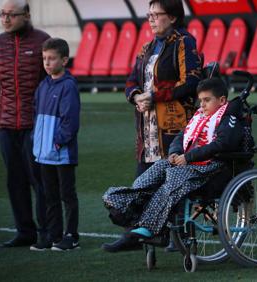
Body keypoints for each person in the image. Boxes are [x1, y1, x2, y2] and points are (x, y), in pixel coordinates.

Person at [103, 0, 201, 252]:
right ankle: (134, 235)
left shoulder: (184, 42)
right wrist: (136, 96)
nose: (151, 19)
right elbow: (132, 80)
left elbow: (191, 82)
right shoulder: (147, 47)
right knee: (141, 182)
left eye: (156, 14)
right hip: (147, 129)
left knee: (174, 183)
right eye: (149, 15)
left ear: (173, 17)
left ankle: (177, 235)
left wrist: (154, 95)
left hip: (174, 126)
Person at [102, 77, 244, 252]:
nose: (203, 105)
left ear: (222, 100)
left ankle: (149, 229)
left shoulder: (229, 118)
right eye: (201, 100)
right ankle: (127, 212)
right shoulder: (199, 116)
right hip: (189, 162)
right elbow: (181, 136)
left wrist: (188, 157)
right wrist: (174, 153)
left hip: (211, 167)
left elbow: (222, 144)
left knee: (173, 178)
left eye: (207, 100)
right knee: (150, 175)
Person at [0, 0, 50, 248]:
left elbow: (51, 82)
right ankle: (25, 232)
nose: (5, 19)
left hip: (35, 125)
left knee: (39, 180)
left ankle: (46, 231)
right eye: (2, 14)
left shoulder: (43, 40)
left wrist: (46, 121)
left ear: (27, 15)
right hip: (6, 124)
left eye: (11, 15)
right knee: (15, 180)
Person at [30, 38, 80, 252]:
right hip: (43, 154)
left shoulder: (68, 86)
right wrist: (36, 140)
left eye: (51, 58)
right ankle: (54, 234)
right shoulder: (43, 85)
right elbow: (36, 115)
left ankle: (71, 235)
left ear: (64, 60)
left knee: (66, 195)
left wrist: (58, 142)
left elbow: (70, 121)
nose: (47, 63)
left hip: (61, 154)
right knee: (49, 196)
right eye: (44, 58)